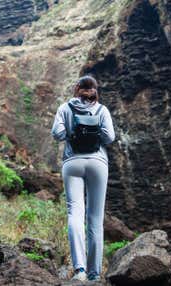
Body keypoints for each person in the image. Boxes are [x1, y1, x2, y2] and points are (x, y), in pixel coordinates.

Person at [50, 75, 115, 281]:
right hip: (97, 163)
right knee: (95, 219)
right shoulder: (102, 109)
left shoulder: (65, 108)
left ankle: (80, 271)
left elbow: (57, 133)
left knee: (75, 214)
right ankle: (94, 275)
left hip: (73, 163)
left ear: (76, 88)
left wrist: (72, 132)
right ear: (95, 90)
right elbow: (109, 137)